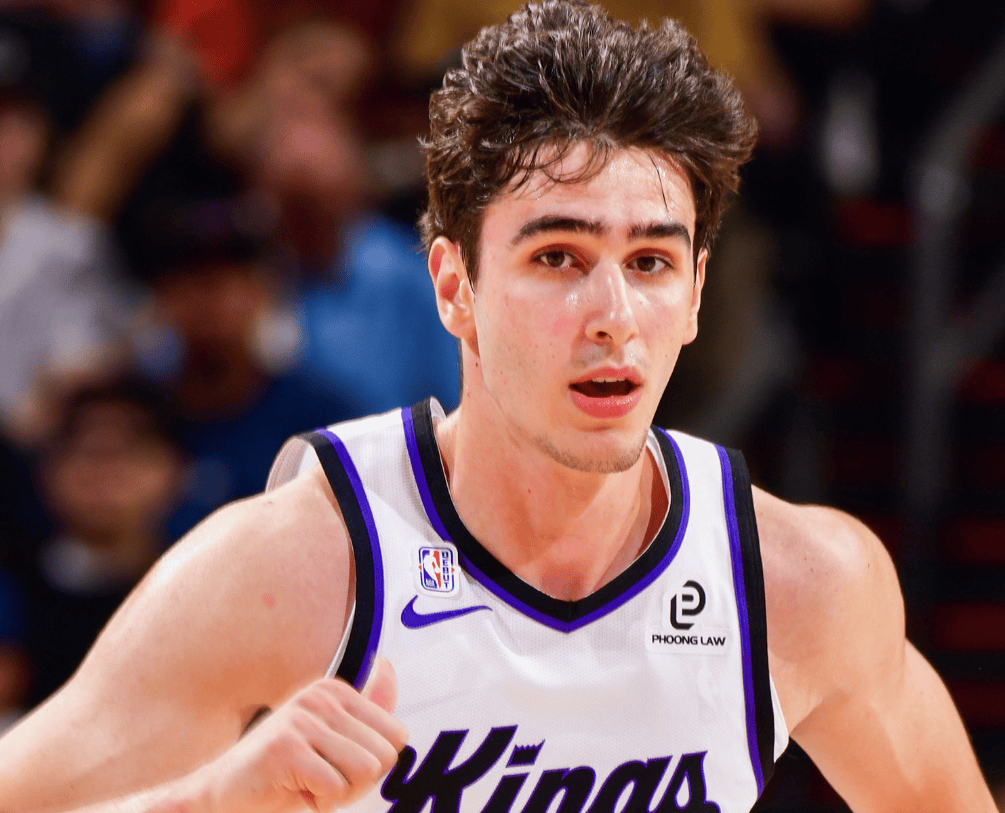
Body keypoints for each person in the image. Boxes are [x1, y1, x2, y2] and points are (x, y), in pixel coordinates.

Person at [0, 2, 995, 812]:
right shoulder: (295, 566)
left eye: (651, 261)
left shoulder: (799, 585)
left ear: (696, 293)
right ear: (454, 287)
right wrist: (211, 802)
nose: (612, 315)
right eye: (558, 256)